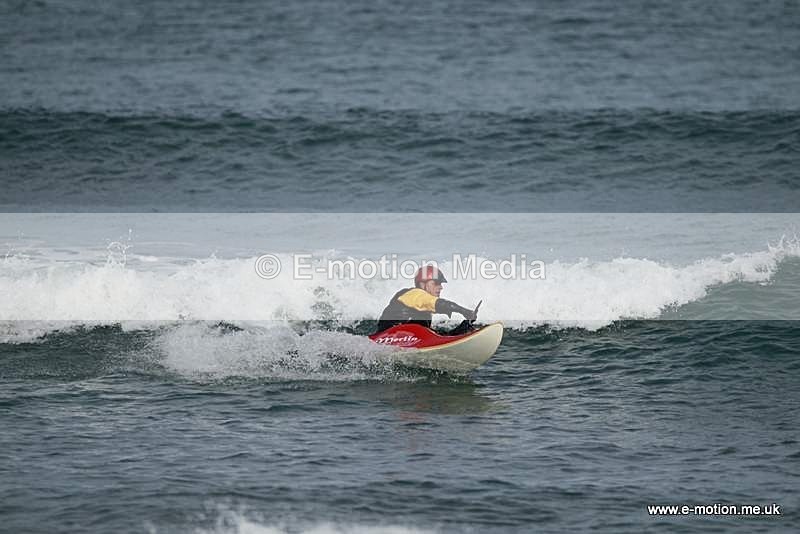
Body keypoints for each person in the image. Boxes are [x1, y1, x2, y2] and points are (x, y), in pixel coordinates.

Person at [374, 265, 478, 335]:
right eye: (436, 283)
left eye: (441, 284)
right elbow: (440, 304)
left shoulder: (423, 309)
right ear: (422, 284)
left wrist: (464, 327)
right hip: (386, 338)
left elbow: (433, 339)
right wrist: (465, 311)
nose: (440, 287)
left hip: (406, 339)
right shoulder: (414, 294)